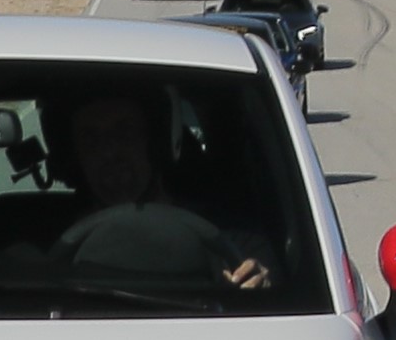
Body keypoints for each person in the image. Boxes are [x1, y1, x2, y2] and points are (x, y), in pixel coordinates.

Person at [51, 91, 268, 289]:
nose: (109, 153)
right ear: (74, 157)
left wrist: (258, 282)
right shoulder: (50, 240)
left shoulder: (229, 239)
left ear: (156, 144)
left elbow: (268, 288)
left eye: (125, 133)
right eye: (91, 141)